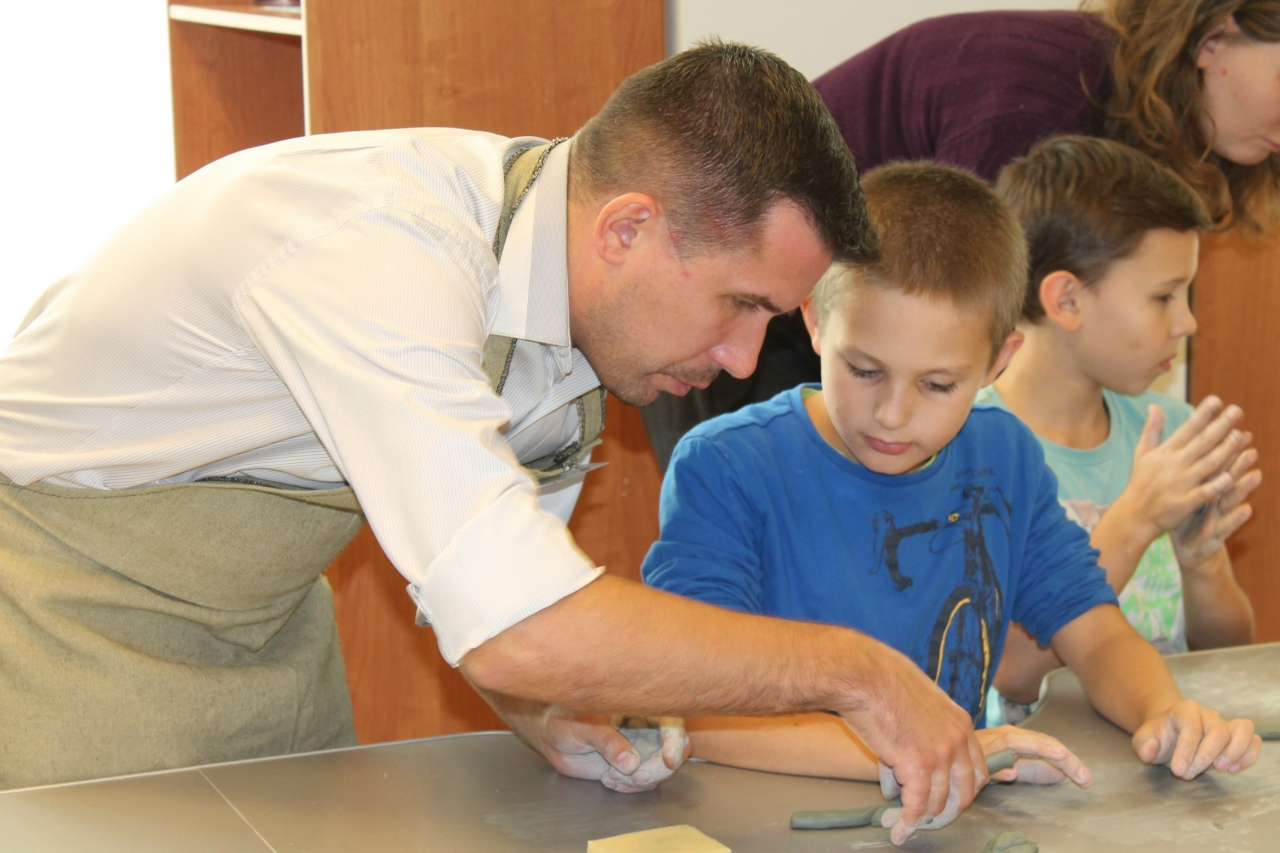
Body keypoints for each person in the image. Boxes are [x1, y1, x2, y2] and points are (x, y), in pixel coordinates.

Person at [0, 42, 994, 840]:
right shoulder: (381, 253)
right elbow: (526, 623)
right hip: (69, 619)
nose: (742, 360)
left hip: (267, 630)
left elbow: (490, 593)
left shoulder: (574, 312)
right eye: (739, 304)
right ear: (627, 229)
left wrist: (548, 709)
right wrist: (856, 670)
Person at [642, 162, 1261, 807]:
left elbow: (1096, 632)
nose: (892, 414)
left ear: (998, 362)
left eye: (938, 385)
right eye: (864, 370)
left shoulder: (1002, 454)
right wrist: (926, 753)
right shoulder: (727, 468)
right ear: (816, 321)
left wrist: (1163, 711)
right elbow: (697, 711)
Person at [642, 0, 1280, 467]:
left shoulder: (1120, 123)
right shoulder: (1046, 93)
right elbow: (958, 322)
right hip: (743, 317)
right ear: (1214, 38)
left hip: (849, 328)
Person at [980, 136, 1258, 724]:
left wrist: (1202, 565)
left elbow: (1229, 653)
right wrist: (1135, 518)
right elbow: (1013, 674)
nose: (1187, 322)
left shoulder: (1170, 435)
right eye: (1164, 296)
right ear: (1067, 300)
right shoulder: (974, 447)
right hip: (1041, 770)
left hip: (1168, 754)